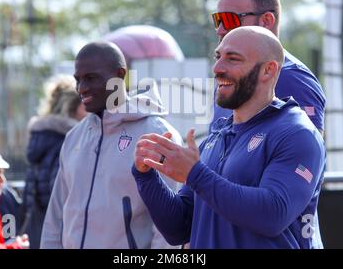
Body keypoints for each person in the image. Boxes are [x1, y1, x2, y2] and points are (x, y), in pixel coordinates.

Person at [132, 26, 326, 248]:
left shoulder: (297, 133)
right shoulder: (218, 136)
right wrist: (145, 175)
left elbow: (273, 214)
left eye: (232, 59)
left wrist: (194, 174)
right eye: (218, 57)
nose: (217, 68)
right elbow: (179, 228)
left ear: (268, 70)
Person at [41, 41, 182, 249]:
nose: (81, 88)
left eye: (91, 78)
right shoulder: (74, 137)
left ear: (119, 74)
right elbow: (55, 218)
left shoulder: (158, 134)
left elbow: (168, 226)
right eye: (77, 80)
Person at [210, 0, 326, 134]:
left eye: (229, 19)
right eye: (218, 20)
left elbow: (306, 150)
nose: (220, 30)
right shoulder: (227, 72)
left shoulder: (291, 77)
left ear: (266, 20)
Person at [21, 74, 87, 249]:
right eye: (84, 102)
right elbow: (62, 196)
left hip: (38, 230)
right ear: (73, 107)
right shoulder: (69, 140)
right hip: (60, 235)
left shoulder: (41, 138)